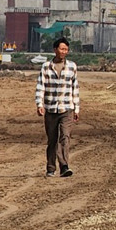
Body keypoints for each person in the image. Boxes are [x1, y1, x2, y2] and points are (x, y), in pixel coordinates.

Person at [35, 36, 80, 178]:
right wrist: (39, 104)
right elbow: (40, 87)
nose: (64, 52)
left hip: (67, 108)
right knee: (52, 140)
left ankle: (64, 166)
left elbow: (75, 88)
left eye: (66, 49)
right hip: (50, 109)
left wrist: (77, 108)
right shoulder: (46, 67)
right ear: (55, 50)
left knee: (65, 137)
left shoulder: (72, 67)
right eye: (61, 49)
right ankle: (50, 167)